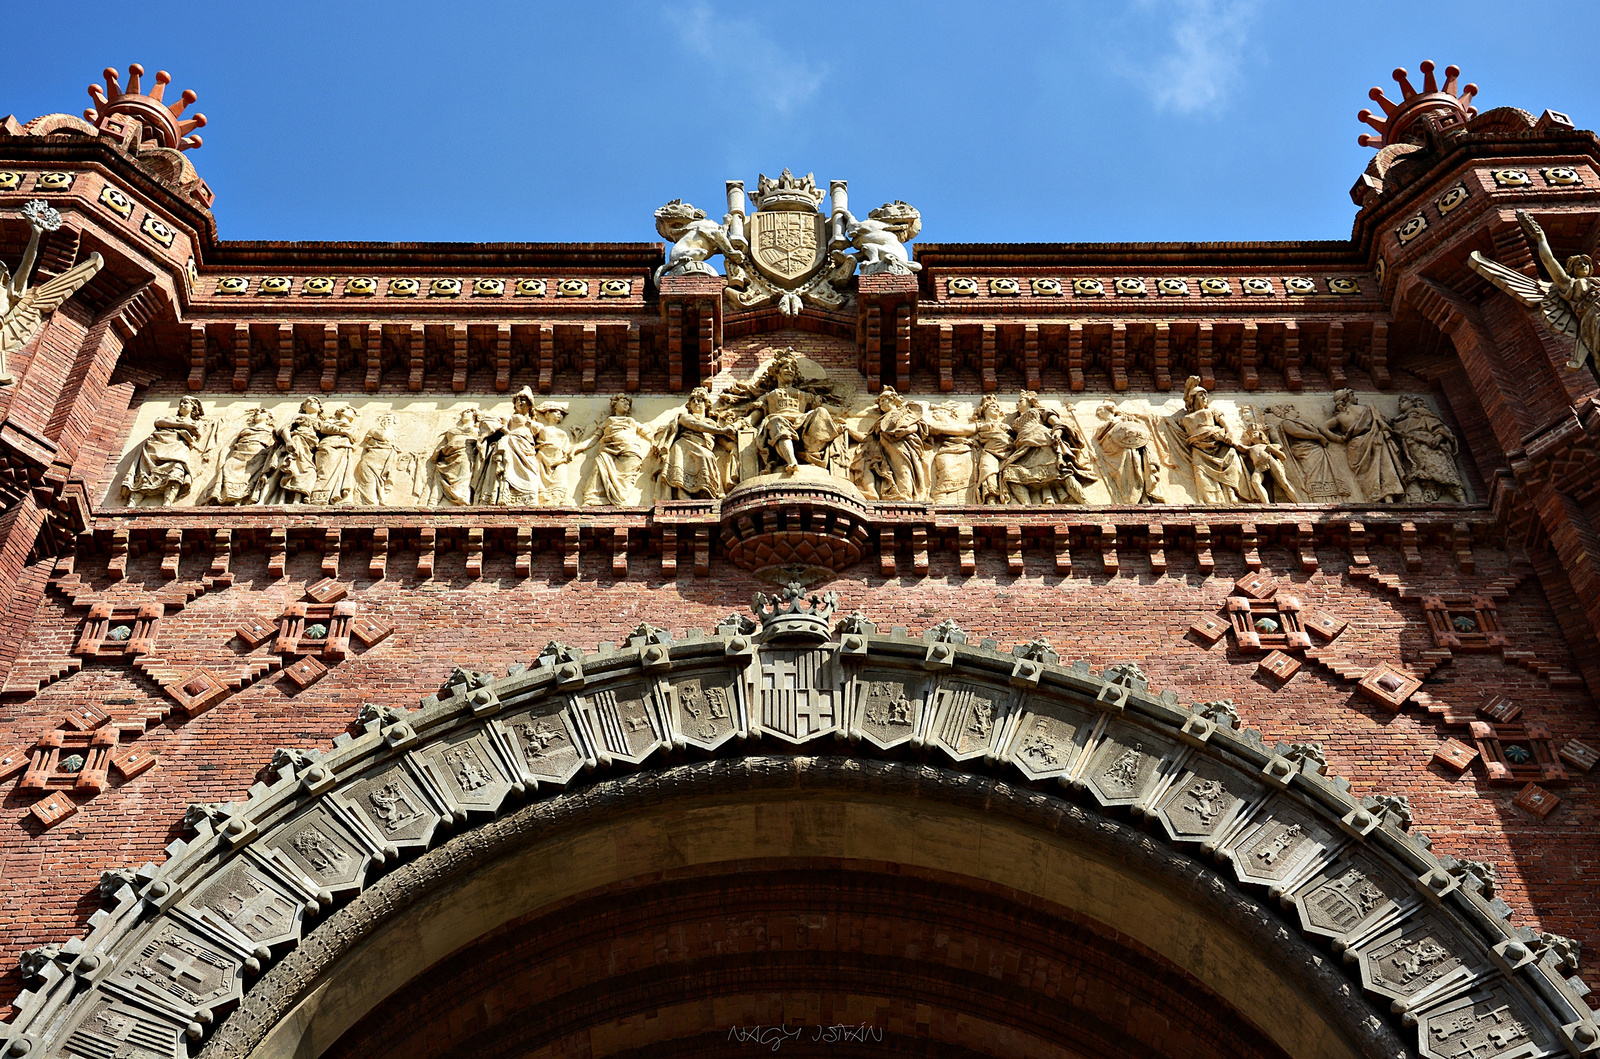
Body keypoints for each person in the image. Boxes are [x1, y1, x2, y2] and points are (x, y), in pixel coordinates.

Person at [1170, 377, 1258, 504]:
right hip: (1198, 446)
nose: (1205, 398)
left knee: (1231, 464)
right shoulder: (1186, 418)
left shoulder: (1212, 411)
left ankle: (1232, 494)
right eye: (1201, 395)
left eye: (1205, 395)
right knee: (1201, 472)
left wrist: (1229, 434)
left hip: (1219, 442)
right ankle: (1211, 500)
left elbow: (1226, 425)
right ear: (1193, 399)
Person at [999, 391, 1097, 505]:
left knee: (1060, 473)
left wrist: (1057, 433)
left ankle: (1085, 503)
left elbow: (1058, 424)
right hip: (1024, 446)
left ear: (1030, 402)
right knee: (1009, 473)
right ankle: (1027, 507)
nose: (1017, 404)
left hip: (1043, 441)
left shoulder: (1039, 411)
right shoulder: (1015, 420)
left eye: (1020, 401)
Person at [1322, 389, 1405, 503]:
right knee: (1384, 467)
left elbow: (1323, 427)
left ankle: (1374, 498)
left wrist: (1339, 439)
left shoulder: (1339, 417)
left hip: (1356, 445)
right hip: (1375, 439)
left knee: (1368, 474)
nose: (1355, 397)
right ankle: (1388, 497)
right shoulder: (1367, 408)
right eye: (1352, 394)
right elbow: (1383, 423)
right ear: (1347, 397)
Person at [122, 396, 206, 506]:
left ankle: (167, 503)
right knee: (144, 474)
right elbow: (158, 422)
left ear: (193, 408)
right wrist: (182, 425)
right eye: (180, 403)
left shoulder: (197, 423)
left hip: (177, 449)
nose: (181, 405)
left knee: (176, 471)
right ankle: (132, 503)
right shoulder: (172, 418)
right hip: (156, 446)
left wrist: (177, 427)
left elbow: (196, 434)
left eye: (185, 403)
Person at [576, 393, 654, 505]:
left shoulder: (631, 421)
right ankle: (593, 500)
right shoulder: (608, 421)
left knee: (625, 482)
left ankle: (620, 501)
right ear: (614, 405)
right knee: (597, 470)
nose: (626, 404)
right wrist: (576, 448)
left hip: (629, 452)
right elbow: (594, 438)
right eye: (623, 401)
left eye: (628, 403)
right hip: (607, 451)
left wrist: (659, 444)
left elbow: (648, 433)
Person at [658, 388, 735, 499]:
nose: (696, 403)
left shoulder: (711, 423)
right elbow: (696, 425)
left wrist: (732, 446)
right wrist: (722, 430)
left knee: (708, 456)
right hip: (685, 444)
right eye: (693, 401)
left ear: (706, 405)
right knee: (705, 456)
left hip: (704, 447)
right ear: (689, 406)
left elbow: (720, 440)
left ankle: (709, 492)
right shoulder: (685, 417)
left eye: (700, 400)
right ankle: (682, 492)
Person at [1392, 395, 1466, 502]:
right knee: (1420, 475)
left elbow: (1439, 428)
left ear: (1413, 403)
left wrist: (1436, 439)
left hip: (1428, 447)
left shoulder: (1422, 414)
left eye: (1403, 401)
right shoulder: (1402, 420)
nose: (1400, 404)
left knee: (1442, 471)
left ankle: (1462, 500)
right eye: (1399, 402)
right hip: (1412, 451)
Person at [1093, 402, 1164, 504]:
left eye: (1100, 409)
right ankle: (1126, 498)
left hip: (1129, 451)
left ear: (1107, 409)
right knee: (1120, 476)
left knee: (1136, 467)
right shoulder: (1104, 426)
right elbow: (1101, 434)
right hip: (1112, 455)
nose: (1098, 413)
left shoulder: (1122, 421)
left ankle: (1137, 496)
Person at [213, 407, 276, 505]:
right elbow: (228, 446)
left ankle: (241, 500)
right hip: (237, 456)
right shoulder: (244, 430)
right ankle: (231, 499)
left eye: (263, 412)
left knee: (251, 476)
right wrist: (221, 461)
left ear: (269, 418)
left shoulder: (271, 432)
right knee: (228, 466)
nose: (258, 413)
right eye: (257, 412)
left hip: (257, 458)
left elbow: (273, 447)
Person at [434, 407, 484, 505]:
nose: (465, 414)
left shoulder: (477, 430)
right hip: (447, 455)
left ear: (475, 416)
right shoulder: (452, 430)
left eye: (468, 412)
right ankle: (436, 500)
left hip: (466, 454)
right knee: (440, 475)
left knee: (465, 474)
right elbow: (441, 445)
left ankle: (463, 498)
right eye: (464, 412)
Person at [352, 413, 399, 505]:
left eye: (389, 420)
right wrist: (387, 428)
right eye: (385, 419)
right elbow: (383, 437)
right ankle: (369, 504)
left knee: (381, 482)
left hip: (385, 462)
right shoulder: (373, 431)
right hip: (371, 461)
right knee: (370, 483)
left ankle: (382, 500)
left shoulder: (393, 435)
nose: (387, 421)